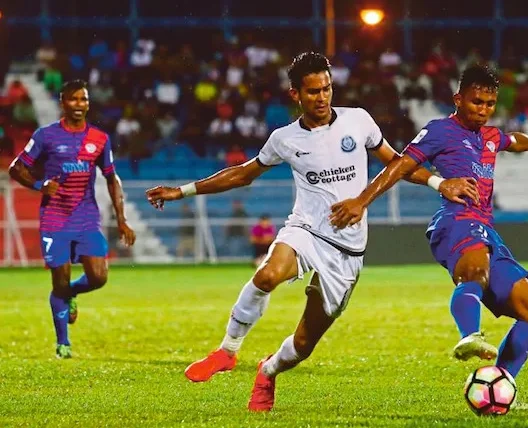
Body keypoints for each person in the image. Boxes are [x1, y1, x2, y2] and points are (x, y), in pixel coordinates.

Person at [145, 52, 479, 412]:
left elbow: (398, 164)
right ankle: (227, 351)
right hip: (306, 229)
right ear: (296, 94)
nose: (322, 97)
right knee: (267, 275)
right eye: (313, 91)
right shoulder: (284, 139)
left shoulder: (358, 121)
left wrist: (438, 182)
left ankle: (268, 371)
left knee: (303, 345)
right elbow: (243, 174)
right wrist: (182, 191)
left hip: (347, 250)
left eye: (326, 88)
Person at [329, 65, 528, 409]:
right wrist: (362, 201)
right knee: (476, 273)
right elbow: (401, 165)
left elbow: (514, 140)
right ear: (458, 99)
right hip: (455, 221)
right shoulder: (440, 130)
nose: (483, 109)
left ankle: (501, 386)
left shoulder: (490, 136)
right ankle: (469, 335)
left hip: (487, 229)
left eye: (489, 103)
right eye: (476, 102)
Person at [8, 80, 136, 359]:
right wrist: (40, 185)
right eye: (74, 99)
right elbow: (16, 168)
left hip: (86, 216)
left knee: (99, 277)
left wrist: (122, 219)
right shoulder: (46, 136)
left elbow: (111, 178)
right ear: (63, 102)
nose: (79, 104)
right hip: (55, 217)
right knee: (60, 281)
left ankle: (71, 294)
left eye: (84, 99)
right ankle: (63, 343)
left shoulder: (99, 138)